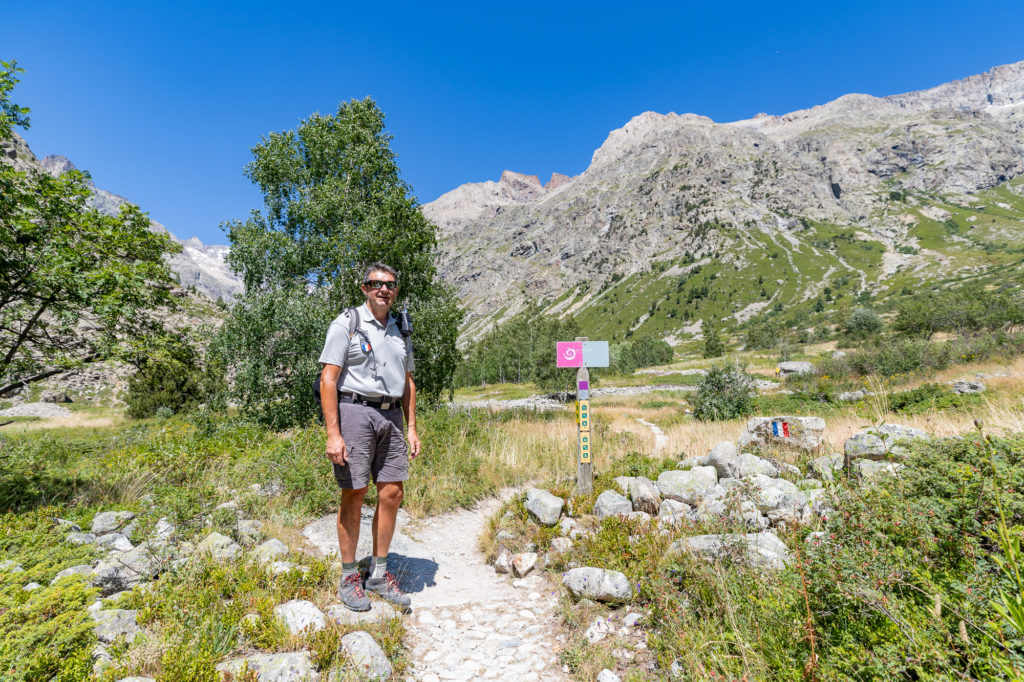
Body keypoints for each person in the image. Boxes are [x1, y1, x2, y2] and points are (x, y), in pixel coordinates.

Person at [318, 262, 420, 611]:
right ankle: (349, 577)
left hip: (391, 414)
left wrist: (411, 427)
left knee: (392, 492)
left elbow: (408, 382)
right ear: (364, 288)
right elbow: (328, 379)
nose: (383, 290)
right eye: (376, 284)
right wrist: (334, 433)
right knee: (355, 492)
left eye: (390, 285)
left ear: (395, 290)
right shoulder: (347, 323)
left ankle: (377, 574)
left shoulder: (400, 328)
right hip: (355, 411)